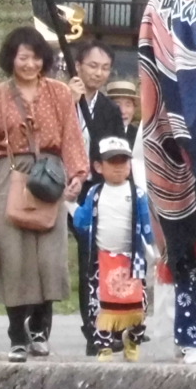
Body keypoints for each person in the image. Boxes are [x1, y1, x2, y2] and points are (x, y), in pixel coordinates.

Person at [0, 25, 90, 363]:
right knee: (14, 259)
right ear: (11, 59)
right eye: (23, 57)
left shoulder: (60, 93)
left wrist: (78, 174)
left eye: (36, 58)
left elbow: (71, 135)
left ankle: (40, 327)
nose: (30, 64)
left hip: (49, 176)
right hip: (7, 175)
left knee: (49, 258)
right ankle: (16, 335)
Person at [70, 136, 159, 359]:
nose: (119, 167)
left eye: (123, 161)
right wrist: (69, 203)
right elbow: (81, 221)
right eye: (112, 162)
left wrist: (157, 250)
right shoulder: (94, 193)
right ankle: (104, 346)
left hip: (132, 260)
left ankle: (133, 340)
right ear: (99, 166)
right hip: (102, 260)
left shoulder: (138, 194)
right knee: (99, 305)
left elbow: (147, 227)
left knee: (138, 305)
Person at [72, 43, 127, 351]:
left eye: (105, 68)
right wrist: (69, 101)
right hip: (60, 186)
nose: (98, 73)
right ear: (78, 65)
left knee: (94, 260)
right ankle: (37, 328)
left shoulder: (109, 110)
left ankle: (98, 329)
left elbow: (117, 151)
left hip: (95, 189)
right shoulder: (61, 97)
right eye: (93, 66)